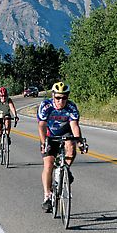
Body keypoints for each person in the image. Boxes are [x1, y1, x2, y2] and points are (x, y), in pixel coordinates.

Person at [37, 81, 87, 212]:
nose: (61, 101)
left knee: (71, 147)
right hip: (49, 134)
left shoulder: (71, 107)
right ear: (53, 96)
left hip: (65, 132)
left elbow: (74, 126)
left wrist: (80, 141)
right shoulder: (46, 106)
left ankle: (63, 170)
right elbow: (41, 125)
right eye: (58, 97)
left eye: (64, 97)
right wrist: (44, 143)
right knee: (48, 164)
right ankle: (47, 196)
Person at [0, 87, 19, 160]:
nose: (3, 97)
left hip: (5, 115)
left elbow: (12, 108)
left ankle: (7, 136)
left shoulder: (9, 100)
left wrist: (15, 116)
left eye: (5, 96)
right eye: (2, 96)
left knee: (8, 121)